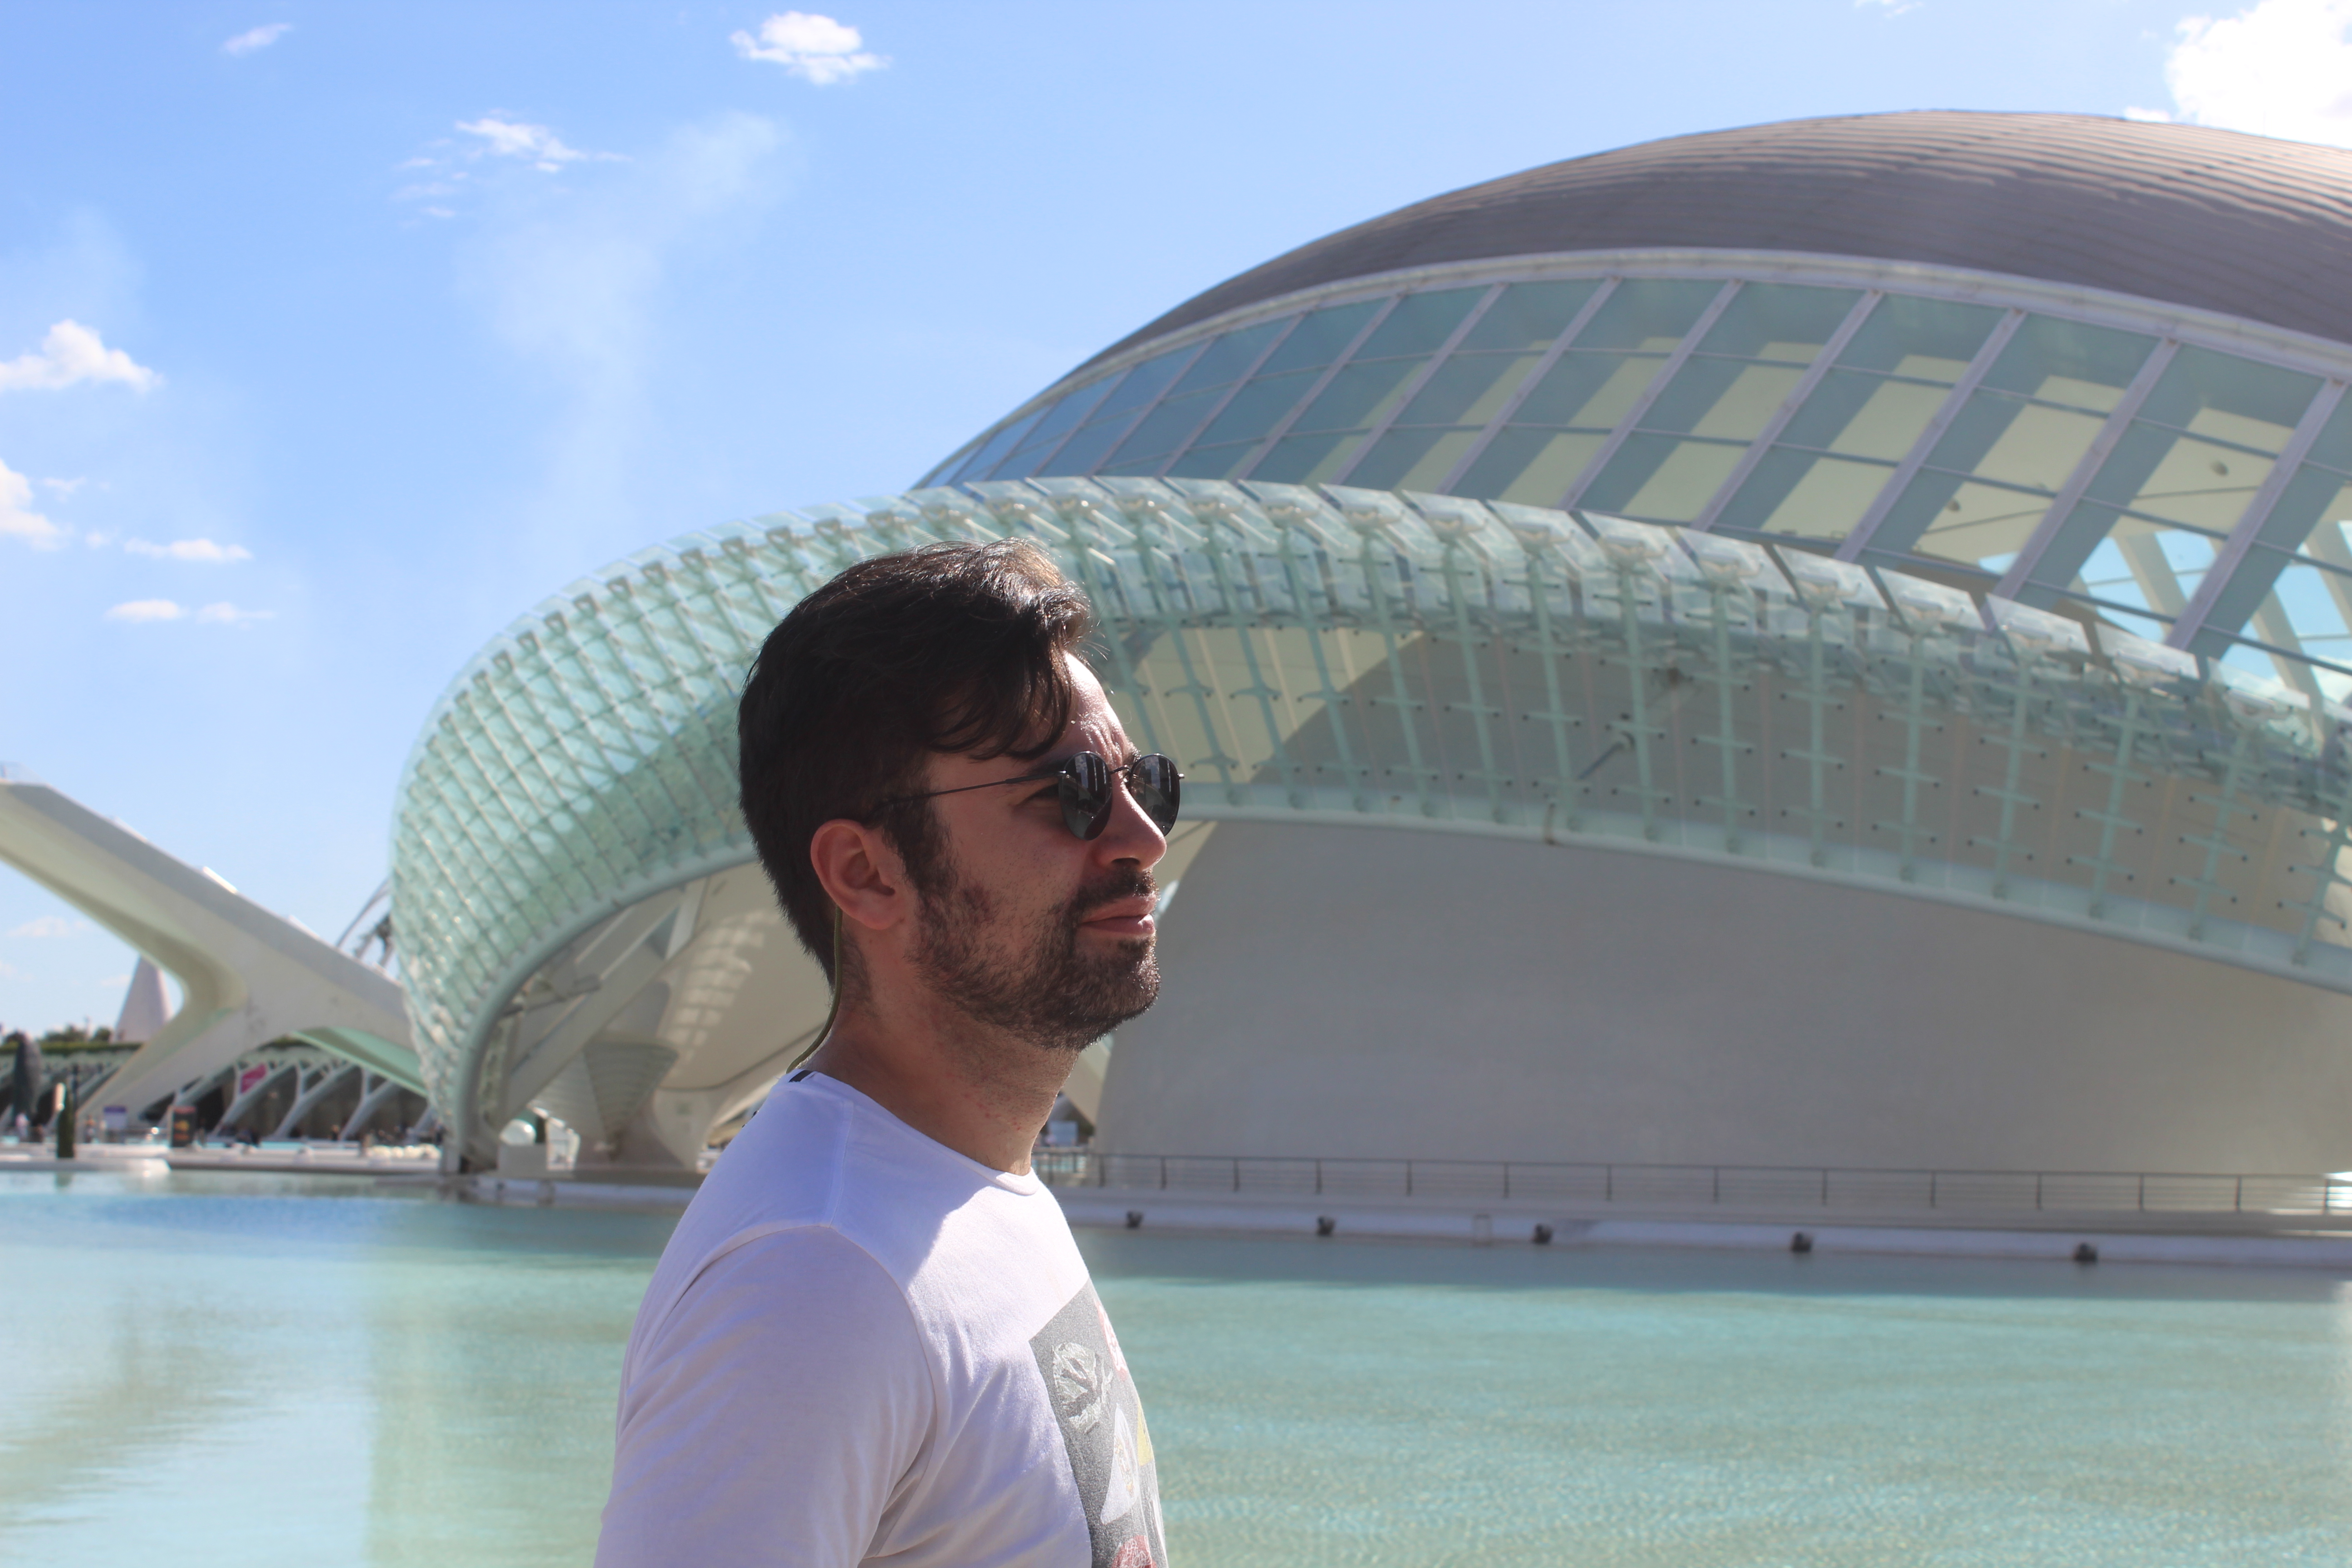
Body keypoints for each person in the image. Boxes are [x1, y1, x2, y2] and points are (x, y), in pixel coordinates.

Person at [598, 540, 1179, 1568]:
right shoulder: (812, 1277)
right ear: (867, 874)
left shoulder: (966, 1189)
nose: (1142, 838)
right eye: (1074, 792)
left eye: (1147, 785)